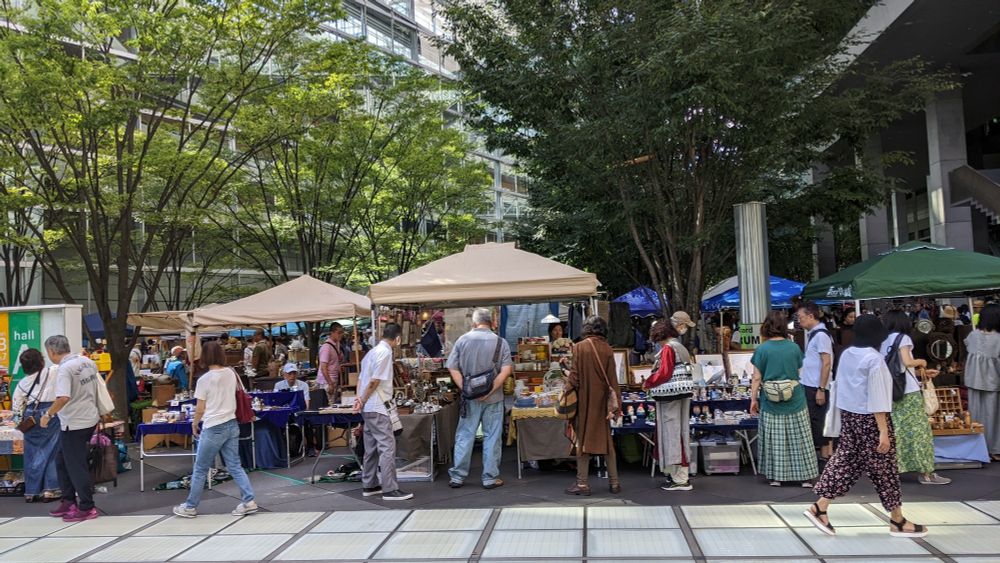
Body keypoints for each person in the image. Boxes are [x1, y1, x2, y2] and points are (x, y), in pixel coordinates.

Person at [806, 314, 928, 538]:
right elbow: (878, 397)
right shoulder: (874, 359)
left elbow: (840, 386)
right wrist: (883, 431)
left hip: (850, 417)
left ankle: (820, 507)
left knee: (847, 462)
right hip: (871, 420)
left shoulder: (847, 354)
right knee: (885, 468)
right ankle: (897, 520)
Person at [173, 341, 257, 518]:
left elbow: (200, 408)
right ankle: (248, 501)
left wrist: (195, 423)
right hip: (231, 423)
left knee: (201, 468)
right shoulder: (231, 373)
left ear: (204, 357)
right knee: (234, 465)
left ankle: (190, 506)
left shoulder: (204, 380)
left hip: (213, 427)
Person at [880, 310, 950, 485]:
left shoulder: (882, 341)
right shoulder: (903, 338)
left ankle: (894, 469)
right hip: (909, 393)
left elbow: (896, 368)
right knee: (920, 432)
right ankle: (927, 473)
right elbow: (906, 362)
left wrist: (921, 373)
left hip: (891, 391)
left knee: (896, 431)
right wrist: (922, 362)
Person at [750, 312, 819, 487]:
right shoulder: (794, 347)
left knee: (775, 438)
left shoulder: (761, 349)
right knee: (800, 437)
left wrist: (753, 400)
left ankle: (776, 477)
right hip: (794, 397)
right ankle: (805, 477)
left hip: (770, 398)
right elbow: (799, 371)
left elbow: (757, 378)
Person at [447, 308, 513, 490]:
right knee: (492, 436)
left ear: (474, 323)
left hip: (469, 400)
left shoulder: (462, 340)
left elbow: (452, 368)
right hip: (494, 398)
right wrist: (490, 390)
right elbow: (506, 370)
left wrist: (466, 389)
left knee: (465, 434)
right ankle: (490, 478)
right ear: (491, 322)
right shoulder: (501, 342)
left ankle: (458, 476)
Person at [40, 335, 101, 522]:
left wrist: (48, 415)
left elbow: (63, 397)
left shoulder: (64, 369)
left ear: (51, 351)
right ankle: (68, 500)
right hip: (89, 417)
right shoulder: (86, 361)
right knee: (62, 459)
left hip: (74, 422)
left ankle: (86, 506)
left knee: (75, 465)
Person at [560, 316, 620, 496]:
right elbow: (613, 380)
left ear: (587, 328)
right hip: (602, 403)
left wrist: (565, 379)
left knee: (583, 440)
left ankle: (582, 484)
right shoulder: (608, 349)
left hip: (586, 401)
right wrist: (615, 407)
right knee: (607, 443)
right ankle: (614, 483)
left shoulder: (580, 347)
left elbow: (575, 378)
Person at [355, 322, 412, 501]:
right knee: (387, 447)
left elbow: (361, 379)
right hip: (378, 405)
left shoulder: (371, 353)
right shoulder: (385, 353)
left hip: (368, 406)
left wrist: (359, 399)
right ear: (397, 338)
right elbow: (375, 381)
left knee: (371, 447)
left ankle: (369, 484)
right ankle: (390, 488)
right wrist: (363, 399)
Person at [646, 316, 694, 492]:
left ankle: (679, 478)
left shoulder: (668, 348)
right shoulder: (681, 347)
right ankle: (681, 474)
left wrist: (649, 382)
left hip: (669, 397)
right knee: (680, 432)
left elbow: (664, 373)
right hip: (682, 394)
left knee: (671, 433)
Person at [13, 349, 60, 502]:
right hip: (50, 413)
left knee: (32, 453)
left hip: (30, 418)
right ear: (41, 361)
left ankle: (31, 491)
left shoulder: (22, 384)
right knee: (51, 451)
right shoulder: (52, 372)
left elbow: (17, 407)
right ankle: (50, 490)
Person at [796, 302, 834, 460]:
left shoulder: (821, 335)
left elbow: (826, 362)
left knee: (819, 421)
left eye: (800, 317)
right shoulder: (814, 334)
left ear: (811, 316)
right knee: (815, 420)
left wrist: (821, 388)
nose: (799, 320)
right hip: (810, 383)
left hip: (816, 385)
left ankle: (826, 456)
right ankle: (823, 455)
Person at [965, 304, 1000, 461]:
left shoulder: (973, 335)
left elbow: (967, 347)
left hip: (973, 379)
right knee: (993, 417)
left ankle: (977, 449)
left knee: (975, 415)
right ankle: (993, 448)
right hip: (993, 381)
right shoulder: (998, 338)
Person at [318, 323, 345, 404]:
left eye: (342, 332)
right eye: (339, 332)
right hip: (327, 382)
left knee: (332, 403)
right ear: (332, 332)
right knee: (329, 405)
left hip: (332, 380)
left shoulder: (335, 346)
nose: (341, 335)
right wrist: (330, 383)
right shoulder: (326, 347)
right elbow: (323, 368)